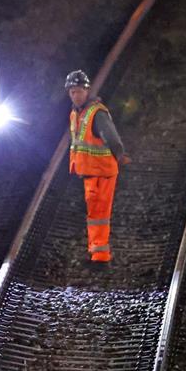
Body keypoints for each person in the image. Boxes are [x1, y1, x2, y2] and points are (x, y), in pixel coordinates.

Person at [65, 69, 129, 264]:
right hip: (91, 172)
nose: (76, 95)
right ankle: (96, 251)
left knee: (99, 213)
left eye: (79, 91)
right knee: (95, 212)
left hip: (102, 172)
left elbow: (112, 138)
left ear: (87, 90)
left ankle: (100, 256)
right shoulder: (76, 113)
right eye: (73, 91)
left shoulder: (96, 112)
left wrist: (120, 156)